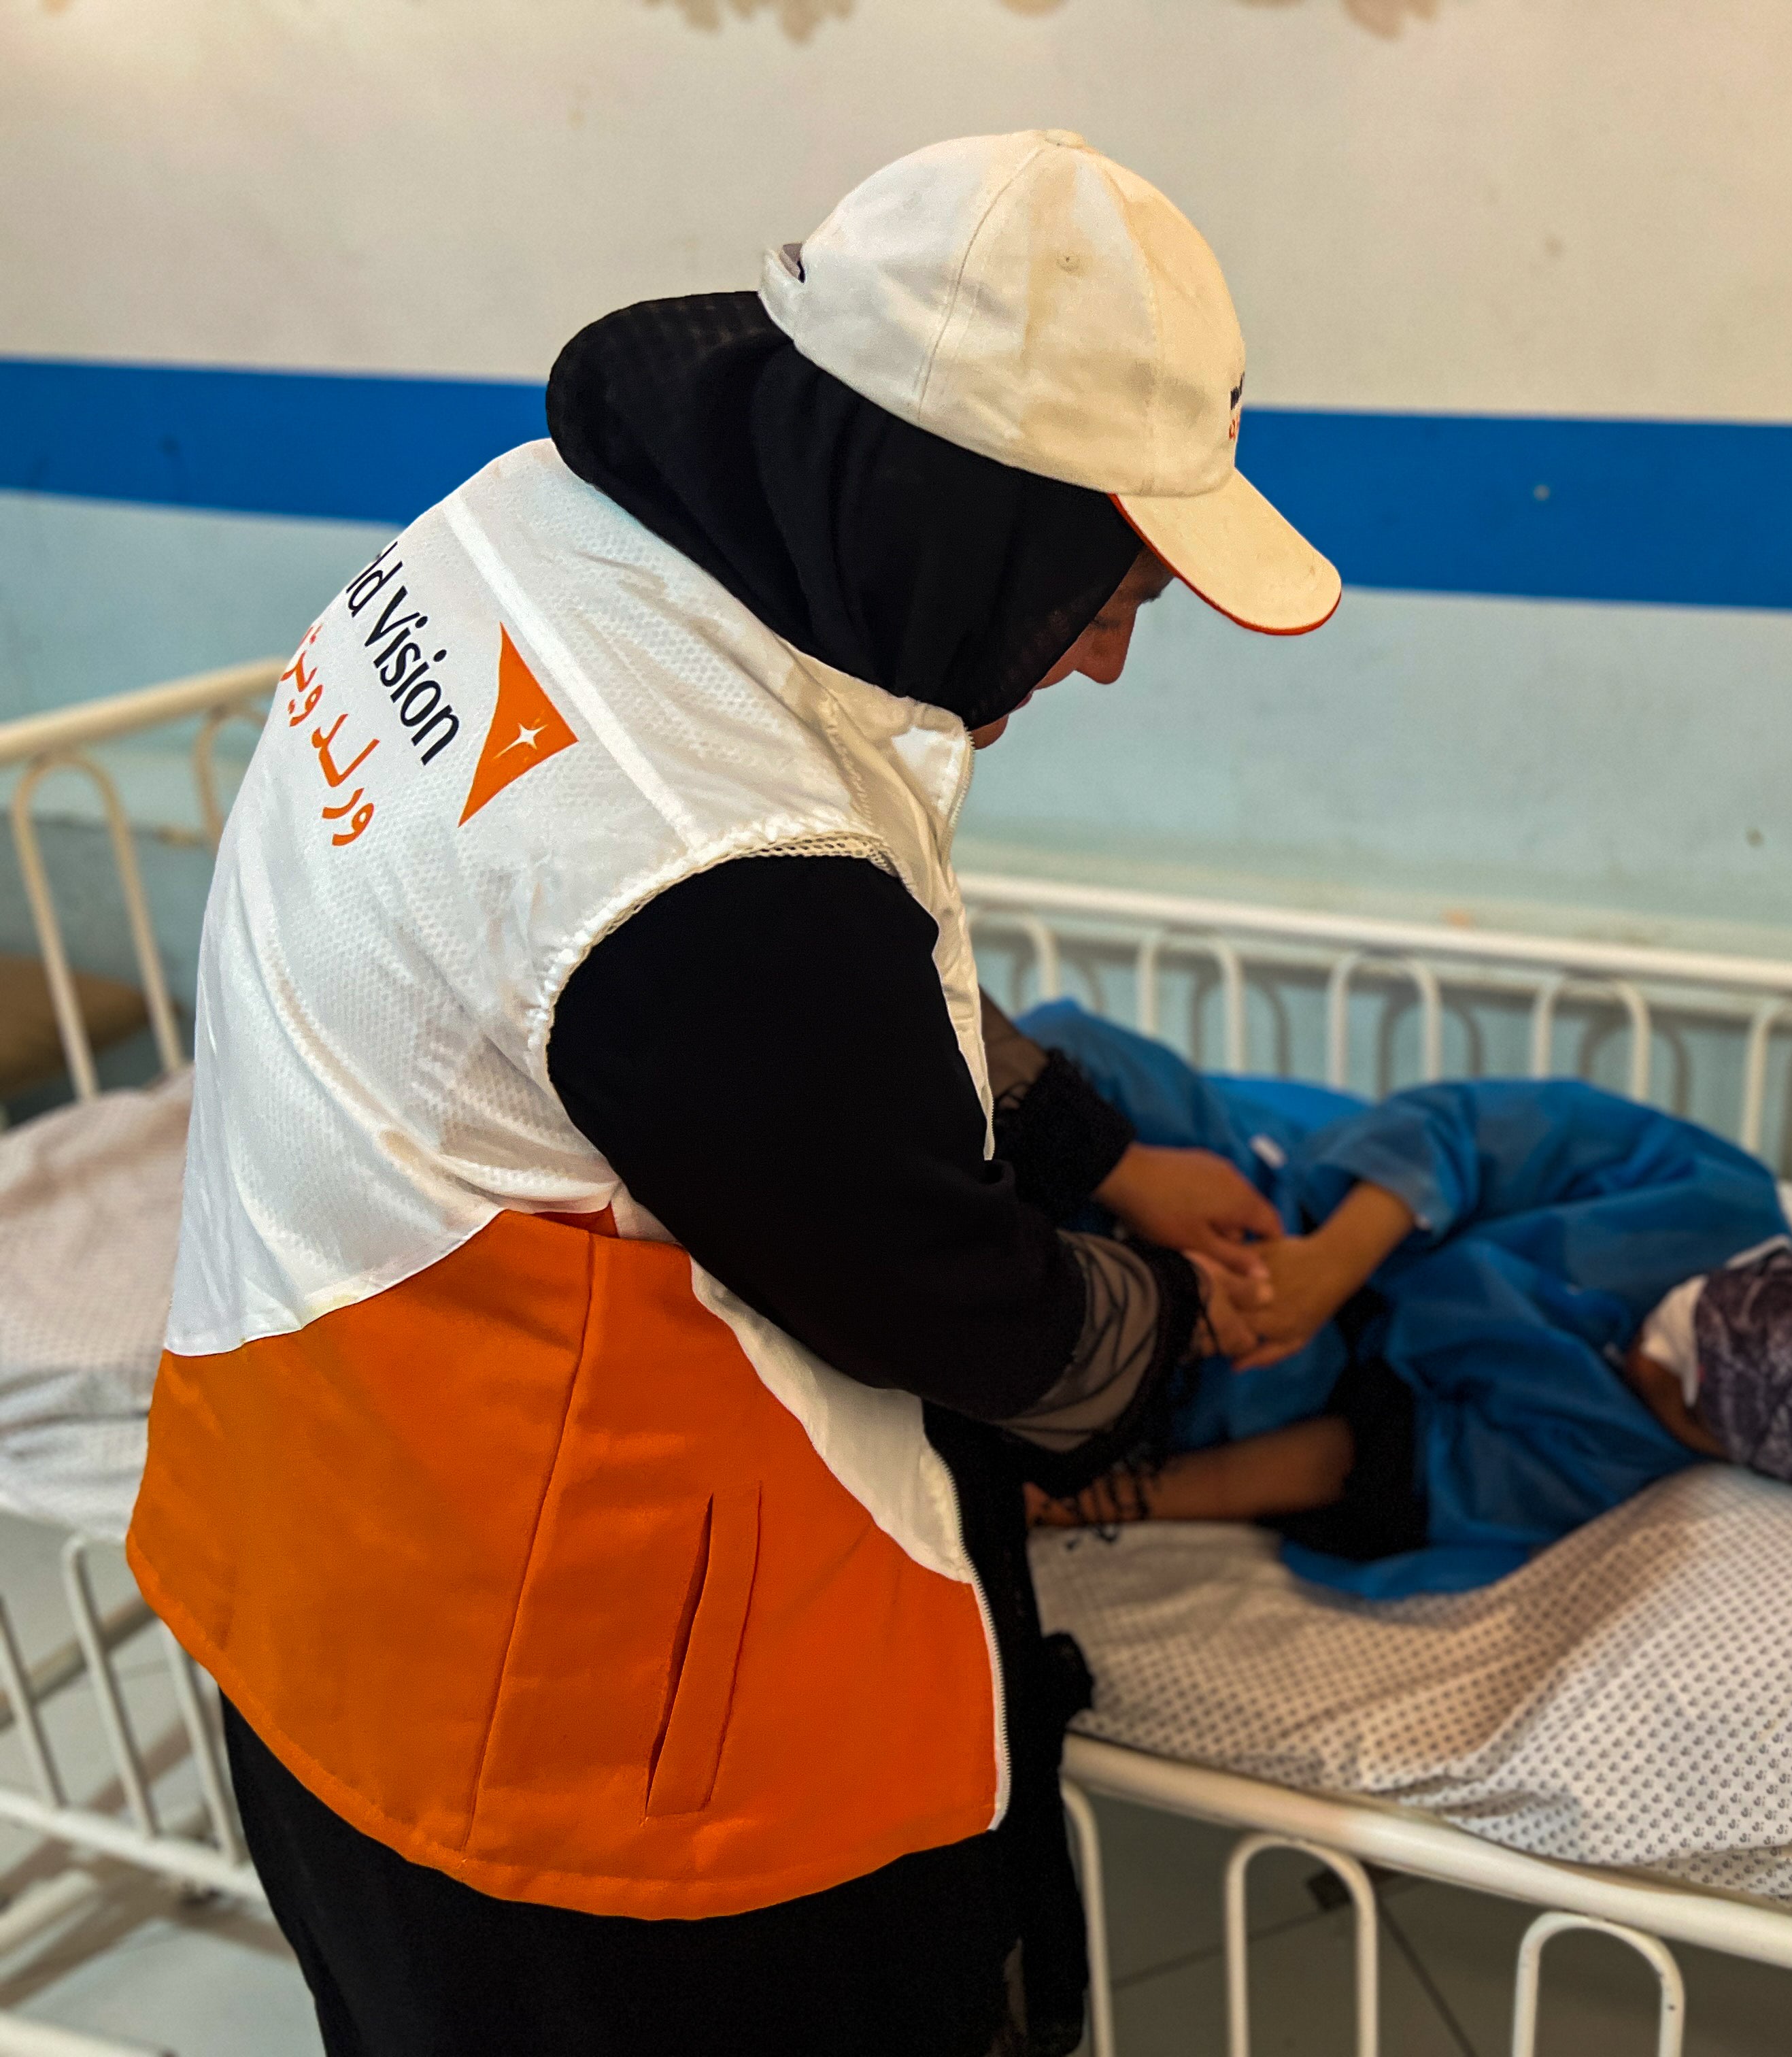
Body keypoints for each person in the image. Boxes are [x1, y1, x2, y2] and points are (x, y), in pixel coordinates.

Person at [126, 133, 1340, 2057]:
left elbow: (810, 1015)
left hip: (310, 1557)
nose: (1105, 658)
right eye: (1104, 592)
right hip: (595, 1801)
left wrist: (1110, 1149)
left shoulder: (530, 532)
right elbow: (987, 1325)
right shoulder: (721, 877)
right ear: (971, 528)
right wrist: (1179, 1322)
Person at [1013, 1007, 1792, 1597]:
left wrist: (1080, 1504)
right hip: (1293, 1194)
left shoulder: (1603, 1457)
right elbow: (1472, 1130)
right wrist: (1324, 1264)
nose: (1649, 1365)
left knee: (1079, 1376)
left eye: (1685, 1406)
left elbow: (1367, 1461)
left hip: (1250, 1379)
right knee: (1067, 1065)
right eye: (1689, 1332)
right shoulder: (1706, 1192)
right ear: (1765, 1270)